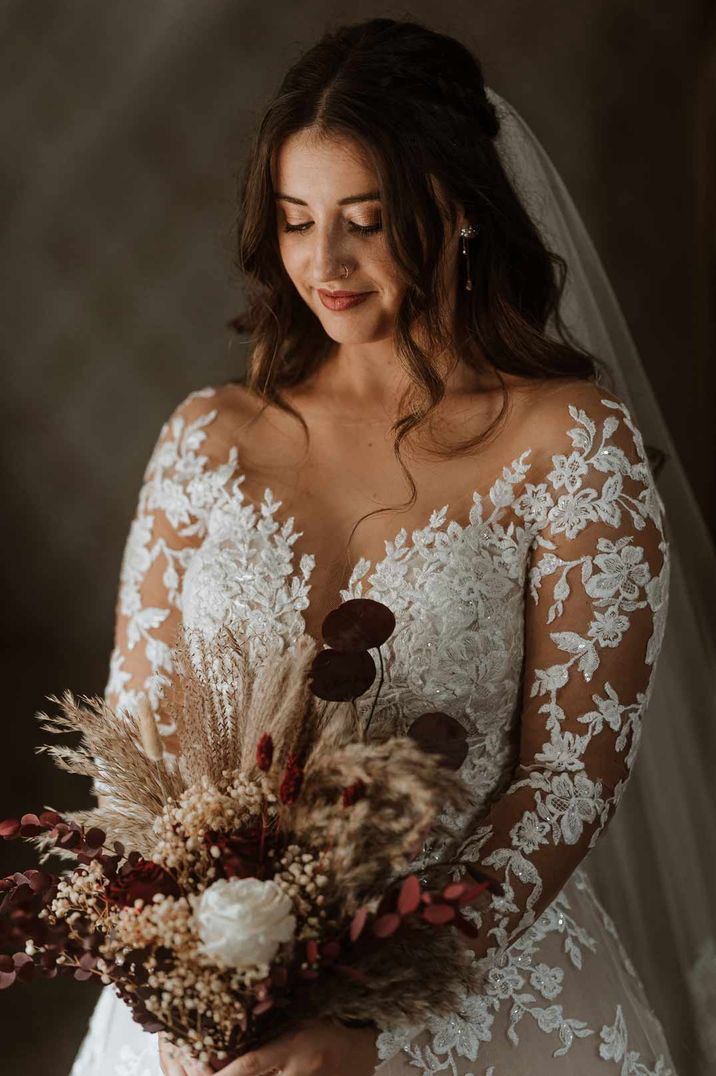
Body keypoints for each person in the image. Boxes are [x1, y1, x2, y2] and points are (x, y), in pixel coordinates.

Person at [68, 17, 686, 1076]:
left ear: (456, 210)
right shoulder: (206, 438)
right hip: (206, 1015)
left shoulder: (567, 442)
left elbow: (568, 775)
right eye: (296, 220)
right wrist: (174, 983)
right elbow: (134, 746)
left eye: (364, 219)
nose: (324, 262)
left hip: (481, 998)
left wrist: (380, 1023)